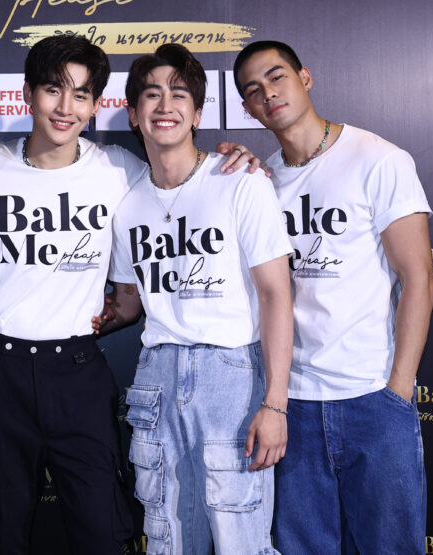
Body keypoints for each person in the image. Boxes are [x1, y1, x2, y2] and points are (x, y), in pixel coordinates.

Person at [0, 34, 260, 554]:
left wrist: (235, 157)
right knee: (0, 532)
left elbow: (182, 174)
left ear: (97, 105)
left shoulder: (120, 168)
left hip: (77, 370)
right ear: (28, 94)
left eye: (81, 94)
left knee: (102, 530)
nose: (66, 107)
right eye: (53, 90)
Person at [233, 40, 433, 554]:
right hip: (293, 407)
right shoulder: (258, 183)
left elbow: (418, 277)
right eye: (253, 90)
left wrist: (397, 392)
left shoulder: (378, 158)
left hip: (372, 398)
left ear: (305, 77)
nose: (268, 93)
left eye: (276, 77)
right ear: (247, 109)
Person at [95, 43, 293, 554]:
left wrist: (275, 403)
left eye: (179, 94)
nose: (165, 105)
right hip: (156, 379)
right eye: (151, 95)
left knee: (241, 541)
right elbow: (129, 303)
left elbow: (276, 295)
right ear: (134, 114)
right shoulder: (127, 205)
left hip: (233, 378)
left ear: (198, 114)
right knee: (166, 539)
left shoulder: (241, 181)